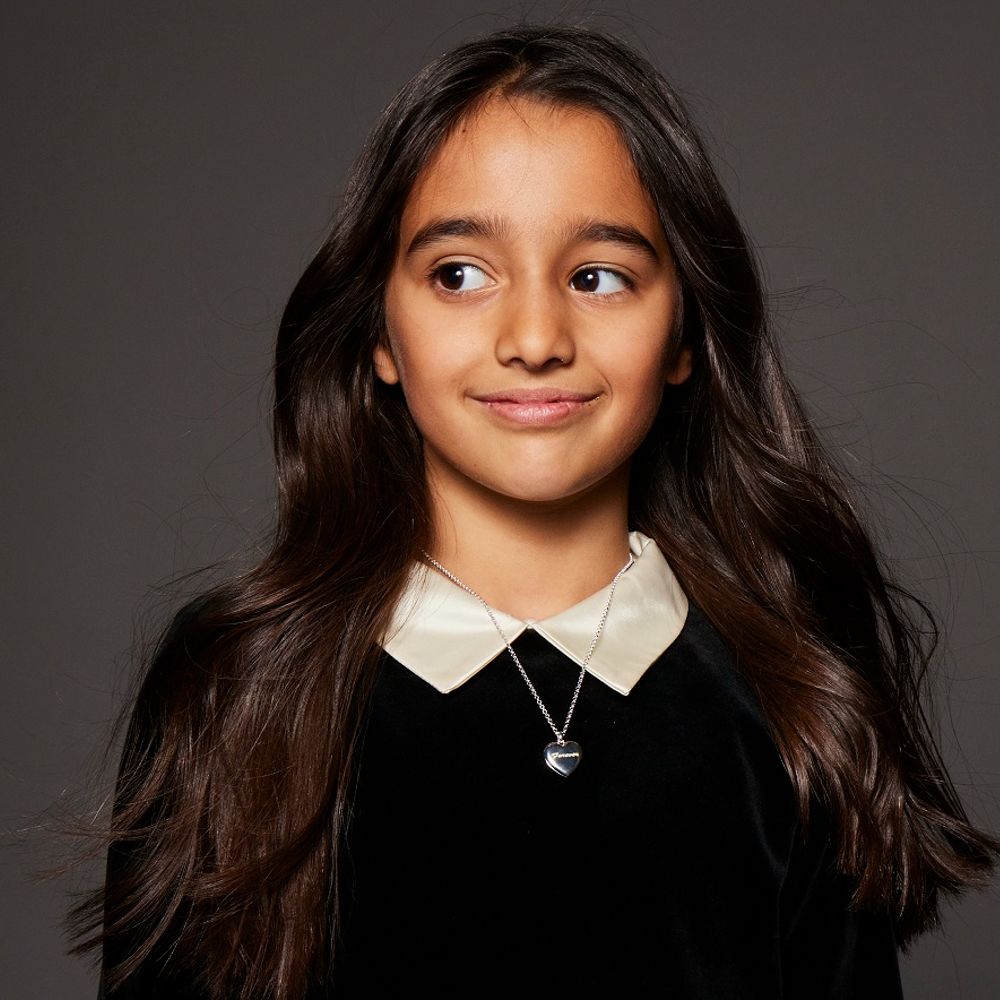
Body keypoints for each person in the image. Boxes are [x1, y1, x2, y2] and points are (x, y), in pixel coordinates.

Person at [67, 21, 998, 999]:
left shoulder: (793, 696)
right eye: (459, 274)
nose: (534, 337)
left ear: (682, 334)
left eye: (598, 277)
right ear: (379, 331)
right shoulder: (239, 688)